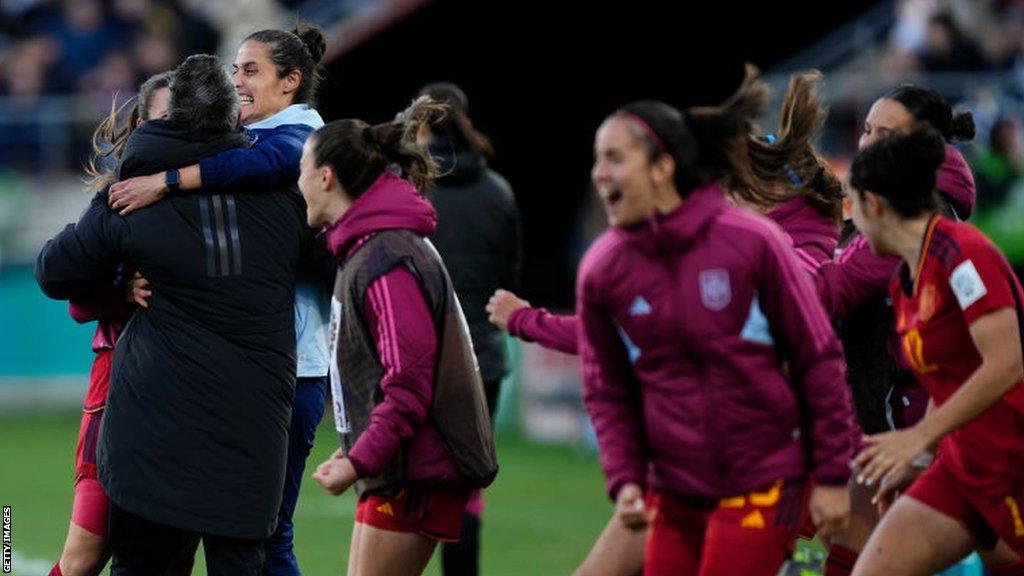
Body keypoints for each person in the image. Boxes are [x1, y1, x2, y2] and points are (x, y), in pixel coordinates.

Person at [487, 70, 845, 576]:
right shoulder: (608, 265)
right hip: (674, 485)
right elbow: (606, 380)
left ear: (662, 168)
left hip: (763, 477)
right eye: (597, 159)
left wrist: (830, 474)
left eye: (615, 158)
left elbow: (817, 359)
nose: (598, 174)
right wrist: (625, 476)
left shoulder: (759, 248)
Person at [36, 54, 318, 575]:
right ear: (231, 114)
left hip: (149, 429)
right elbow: (331, 257)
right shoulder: (283, 194)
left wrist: (120, 285)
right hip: (252, 425)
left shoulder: (130, 198)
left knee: (116, 561)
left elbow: (54, 273)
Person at [105, 25, 331, 576]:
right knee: (209, 534)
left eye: (250, 70)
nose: (237, 82)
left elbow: (261, 168)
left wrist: (168, 179)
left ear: (291, 81)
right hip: (246, 372)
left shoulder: (301, 139)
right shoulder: (250, 139)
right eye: (234, 70)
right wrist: (122, 279)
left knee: (265, 539)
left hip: (291, 366)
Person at [301, 98, 498, 576]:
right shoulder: (375, 246)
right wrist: (358, 447)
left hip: (416, 471)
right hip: (400, 465)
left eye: (302, 169)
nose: (298, 182)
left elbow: (409, 384)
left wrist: (358, 459)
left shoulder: (384, 256)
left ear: (326, 177)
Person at [814, 84, 983, 576]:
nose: (866, 145)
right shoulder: (906, 232)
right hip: (906, 431)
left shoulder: (930, 238)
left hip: (954, 441)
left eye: (885, 135)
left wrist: (925, 442)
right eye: (866, 131)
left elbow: (1000, 360)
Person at [847, 127, 1024, 575]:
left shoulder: (963, 253)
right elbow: (945, 380)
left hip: (1013, 457)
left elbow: (1006, 364)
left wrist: (917, 438)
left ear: (875, 205)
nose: (850, 219)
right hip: (964, 465)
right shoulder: (906, 275)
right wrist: (919, 461)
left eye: (853, 204)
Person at [48, 71, 172, 576]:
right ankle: (6, 555)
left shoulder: (209, 192)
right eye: (163, 121)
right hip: (116, 385)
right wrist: (120, 291)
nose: (173, 133)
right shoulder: (116, 201)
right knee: (83, 556)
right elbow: (76, 300)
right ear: (141, 124)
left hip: (188, 397)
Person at [414, 81, 521, 576]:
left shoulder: (410, 185)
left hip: (417, 357)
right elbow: (509, 278)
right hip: (482, 357)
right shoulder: (497, 192)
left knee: (404, 487)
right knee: (465, 488)